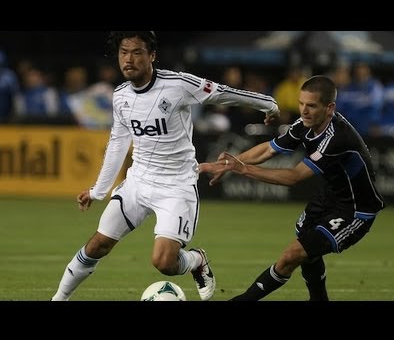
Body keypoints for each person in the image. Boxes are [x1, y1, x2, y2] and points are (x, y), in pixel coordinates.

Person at [51, 31, 280, 301]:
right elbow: (118, 143)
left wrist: (268, 104)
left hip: (176, 187)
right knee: (97, 245)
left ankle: (195, 260)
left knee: (163, 262)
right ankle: (58, 299)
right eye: (124, 52)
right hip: (138, 182)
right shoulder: (121, 95)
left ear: (152, 56)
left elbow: (222, 93)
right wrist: (97, 191)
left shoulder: (178, 85)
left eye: (137, 52)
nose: (129, 59)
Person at [200, 75, 385, 301]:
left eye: (312, 106)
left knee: (293, 254)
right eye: (301, 104)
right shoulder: (304, 124)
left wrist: (243, 170)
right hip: (329, 196)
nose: (304, 111)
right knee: (307, 250)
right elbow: (269, 149)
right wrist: (229, 164)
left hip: (355, 209)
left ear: (330, 108)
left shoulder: (337, 138)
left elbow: (293, 177)